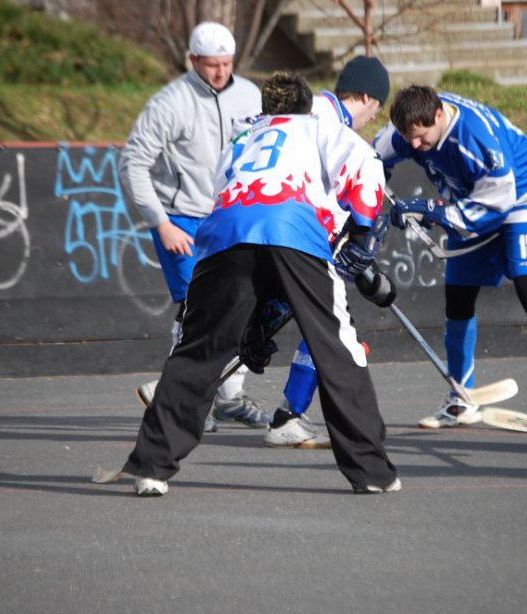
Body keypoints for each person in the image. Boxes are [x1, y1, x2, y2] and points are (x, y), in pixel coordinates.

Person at [122, 70, 400, 497]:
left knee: (197, 351)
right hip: (293, 228)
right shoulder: (319, 126)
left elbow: (228, 197)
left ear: (266, 110)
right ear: (307, 107)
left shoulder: (240, 138)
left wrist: (248, 321)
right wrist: (362, 236)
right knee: (338, 350)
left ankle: (152, 466)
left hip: (224, 236)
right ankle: (372, 472)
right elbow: (366, 170)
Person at [373, 85, 527, 428]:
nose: (414, 147)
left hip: (523, 196)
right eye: (408, 138)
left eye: (422, 138)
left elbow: (499, 200)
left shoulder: (476, 138)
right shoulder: (409, 126)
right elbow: (373, 158)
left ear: (439, 116)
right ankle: (460, 397)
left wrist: (430, 211)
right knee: (458, 295)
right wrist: (375, 185)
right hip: (470, 199)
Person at [119, 22, 269, 432]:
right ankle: (181, 400)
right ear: (192, 61)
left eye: (227, 64)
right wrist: (161, 223)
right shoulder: (169, 103)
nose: (221, 72)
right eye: (211, 65)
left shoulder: (251, 95)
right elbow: (132, 164)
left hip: (234, 216)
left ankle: (230, 397)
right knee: (196, 311)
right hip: (181, 219)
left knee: (243, 302)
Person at [264, 55, 393, 449]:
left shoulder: (315, 110)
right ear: (368, 97)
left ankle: (176, 390)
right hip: (290, 238)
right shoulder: (330, 123)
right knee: (330, 325)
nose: (375, 115)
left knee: (255, 323)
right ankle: (288, 416)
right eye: (378, 106)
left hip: (265, 225)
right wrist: (359, 236)